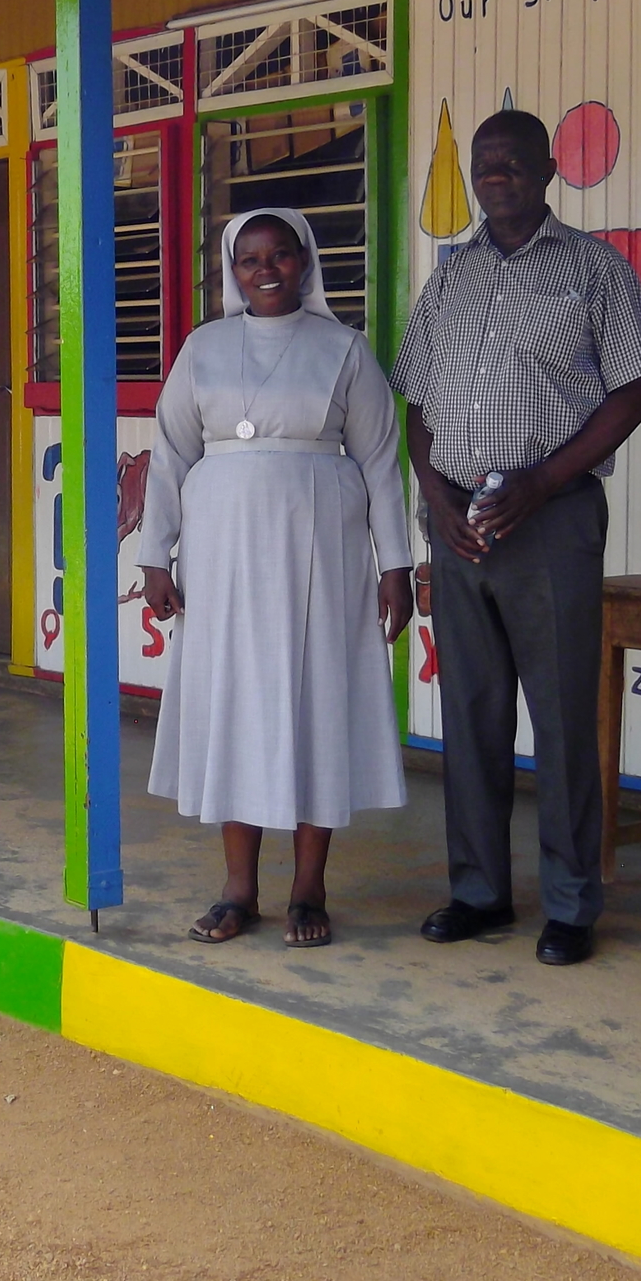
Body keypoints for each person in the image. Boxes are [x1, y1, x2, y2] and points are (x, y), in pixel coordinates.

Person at [394, 111, 641, 966]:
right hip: (460, 525)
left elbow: (630, 394)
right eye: (484, 163)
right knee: (470, 714)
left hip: (553, 517)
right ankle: (479, 891)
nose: (495, 173)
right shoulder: (451, 279)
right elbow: (418, 402)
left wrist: (543, 482)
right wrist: (435, 502)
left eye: (512, 161)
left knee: (562, 717)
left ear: (549, 168)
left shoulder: (593, 269)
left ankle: (573, 904)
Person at [137, 208, 415, 949]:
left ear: (305, 261)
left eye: (281, 256)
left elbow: (384, 464)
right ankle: (237, 890)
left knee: (314, 697)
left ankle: (307, 888)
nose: (266, 270)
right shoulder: (203, 348)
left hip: (319, 551)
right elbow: (169, 456)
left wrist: (397, 565)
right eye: (249, 259)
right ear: (232, 272)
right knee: (237, 702)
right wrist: (153, 555)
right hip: (222, 557)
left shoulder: (345, 350)